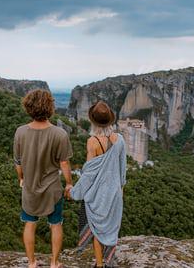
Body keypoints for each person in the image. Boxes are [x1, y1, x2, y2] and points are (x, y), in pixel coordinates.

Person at [13, 89, 73, 268]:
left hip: (30, 188)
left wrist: (21, 179)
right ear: (50, 107)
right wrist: (69, 183)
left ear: (28, 107)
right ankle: (54, 263)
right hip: (53, 189)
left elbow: (18, 163)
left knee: (30, 225)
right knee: (56, 225)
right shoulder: (59, 134)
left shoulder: (20, 132)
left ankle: (32, 263)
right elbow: (64, 164)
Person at [69, 101, 127, 268]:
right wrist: (121, 188)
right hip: (115, 193)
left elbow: (88, 175)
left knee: (96, 230)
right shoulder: (120, 140)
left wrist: (74, 192)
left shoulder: (92, 142)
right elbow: (123, 169)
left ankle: (100, 264)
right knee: (111, 227)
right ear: (110, 120)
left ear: (93, 121)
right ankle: (109, 260)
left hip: (97, 195)